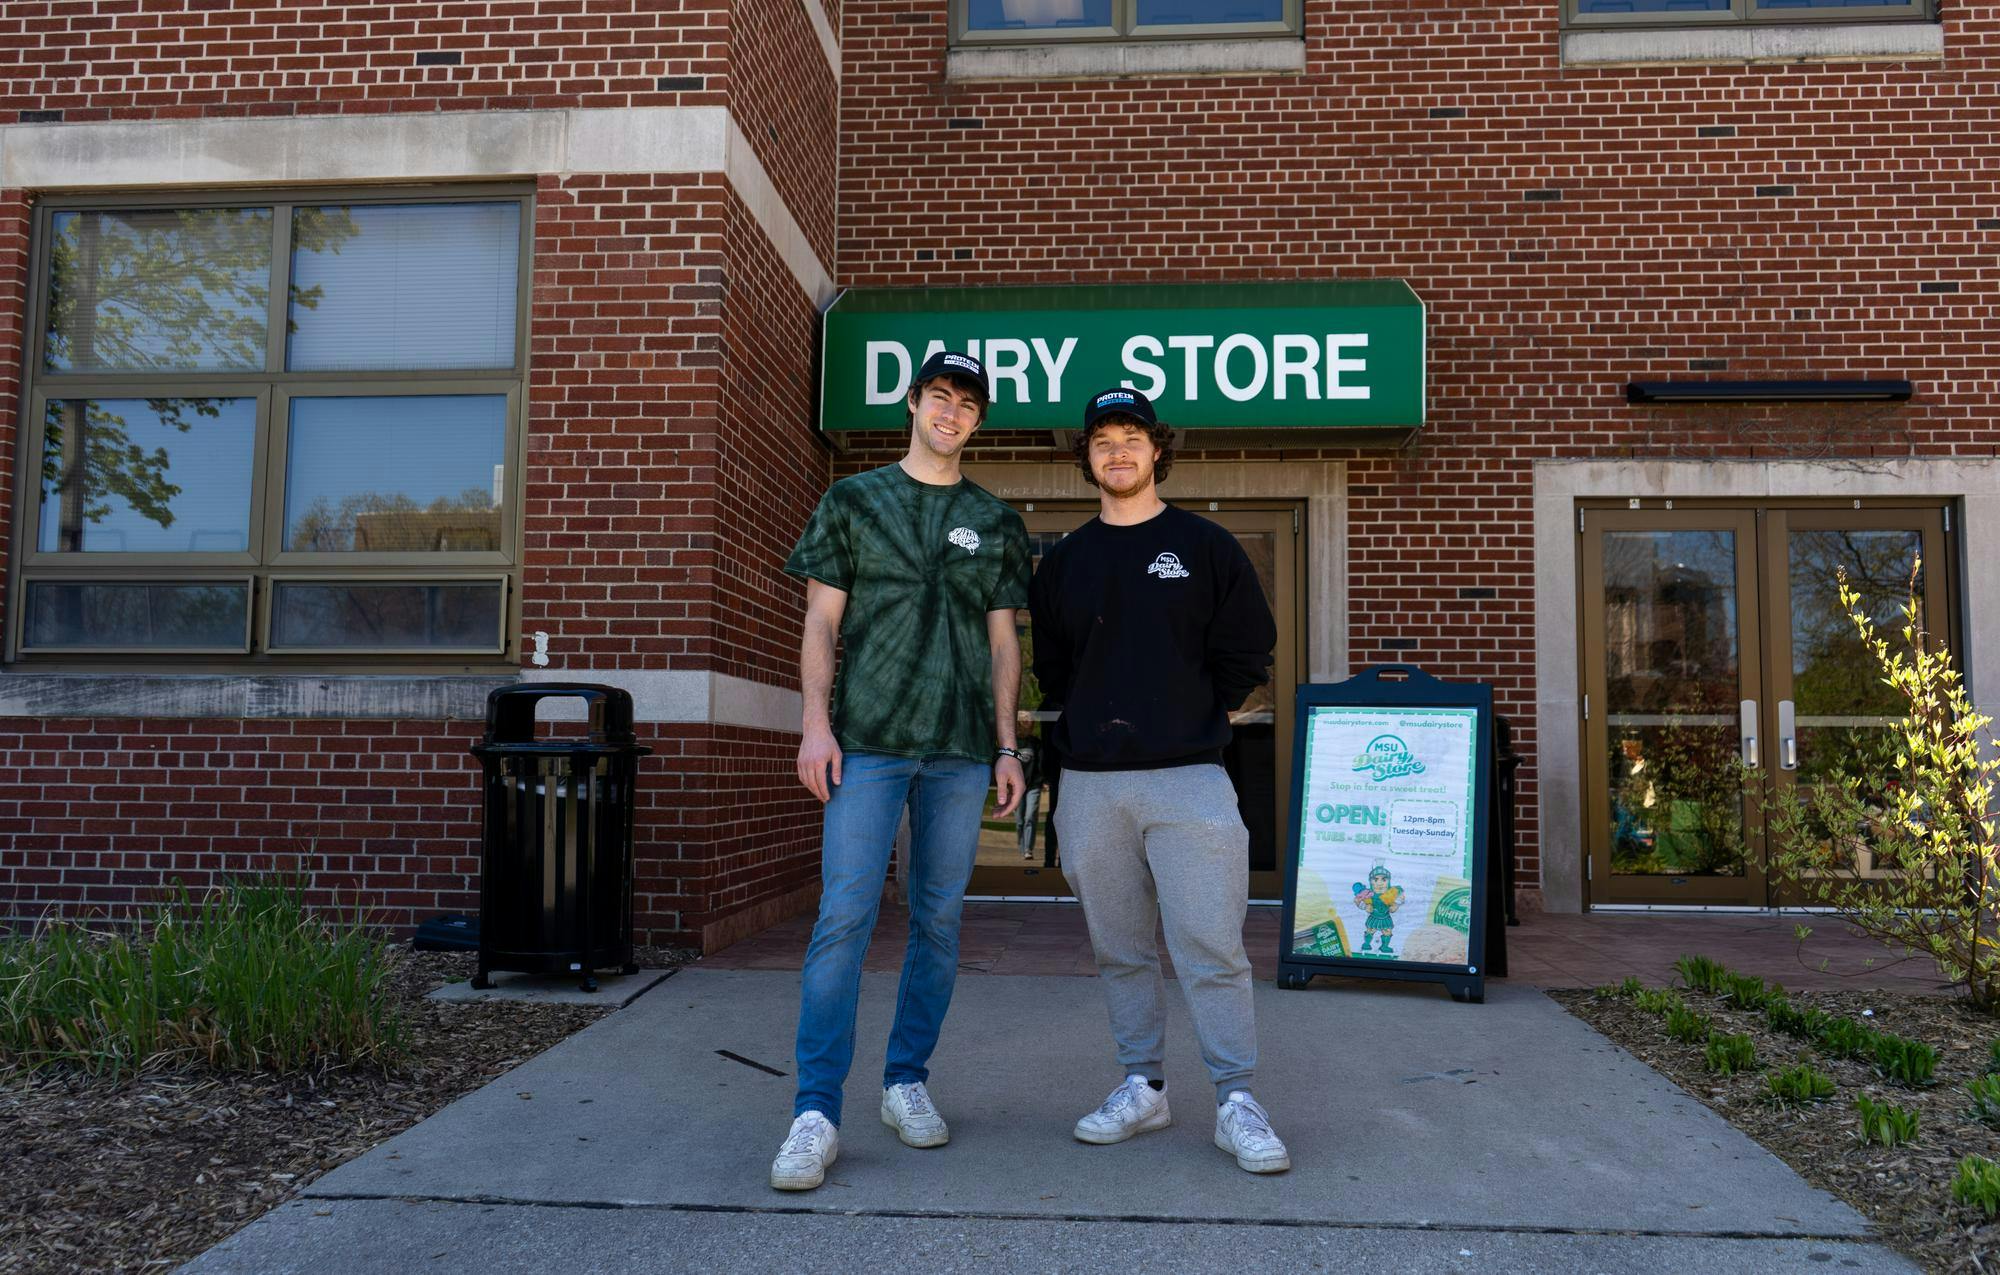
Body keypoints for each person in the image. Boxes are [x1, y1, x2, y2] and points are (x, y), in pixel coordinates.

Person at [769, 349, 1032, 1191]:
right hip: (869, 744)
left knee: (940, 922)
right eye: (940, 396)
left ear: (979, 420)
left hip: (959, 752)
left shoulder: (994, 518)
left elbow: (1003, 642)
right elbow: (820, 623)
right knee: (843, 919)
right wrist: (815, 725)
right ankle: (815, 1111)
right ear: (912, 402)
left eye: (968, 404)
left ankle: (905, 1081)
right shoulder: (853, 499)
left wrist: (1006, 743)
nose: (952, 412)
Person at [1028, 386, 1290, 1174]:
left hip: (1190, 782)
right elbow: (1055, 672)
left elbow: (1248, 653)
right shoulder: (1066, 561)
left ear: (1157, 450)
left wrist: (1186, 712)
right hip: (1093, 786)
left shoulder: (1206, 547)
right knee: (1121, 948)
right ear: (1087, 456)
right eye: (1103, 439)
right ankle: (1143, 1085)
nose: (1117, 451)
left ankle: (1237, 1099)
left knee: (1212, 947)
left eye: (1132, 437)